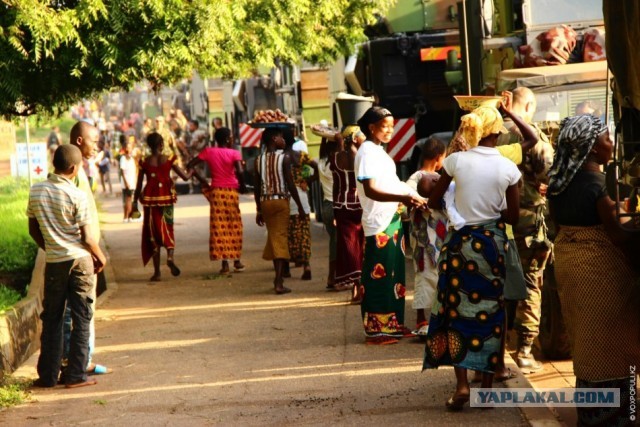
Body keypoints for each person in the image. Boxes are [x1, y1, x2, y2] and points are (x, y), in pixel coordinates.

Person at [423, 105, 526, 411]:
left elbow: (433, 199)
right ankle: (487, 391)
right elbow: (513, 217)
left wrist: (458, 208)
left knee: (457, 311)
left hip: (459, 244)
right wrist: (492, 211)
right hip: (491, 245)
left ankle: (462, 387)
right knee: (491, 312)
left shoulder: (455, 161)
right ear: (497, 132)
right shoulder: (508, 168)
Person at [548, 114, 640, 426]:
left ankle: (591, 415)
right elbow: (616, 234)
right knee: (616, 345)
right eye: (606, 138)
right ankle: (618, 417)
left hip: (572, 270)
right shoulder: (597, 184)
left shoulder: (560, 183)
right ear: (590, 147)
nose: (611, 143)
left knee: (587, 345)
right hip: (601, 274)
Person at [28, 144, 106, 389]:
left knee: (52, 317)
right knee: (82, 317)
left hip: (54, 263)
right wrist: (100, 257)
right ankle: (75, 375)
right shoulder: (77, 195)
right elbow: (87, 237)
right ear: (73, 168)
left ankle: (48, 376)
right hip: (80, 262)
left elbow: (32, 229)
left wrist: (51, 246)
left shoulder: (36, 191)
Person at [354, 107, 427, 345]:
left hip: (392, 219)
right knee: (379, 276)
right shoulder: (366, 152)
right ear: (371, 127)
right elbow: (370, 189)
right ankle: (376, 330)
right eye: (384, 126)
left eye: (391, 126)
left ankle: (393, 324)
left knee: (394, 274)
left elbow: (394, 183)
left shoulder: (379, 152)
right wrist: (405, 199)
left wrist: (415, 197)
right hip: (378, 222)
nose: (389, 130)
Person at [498, 87, 555, 373]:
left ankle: (498, 349)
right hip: (529, 220)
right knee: (532, 281)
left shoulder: (491, 132)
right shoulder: (533, 135)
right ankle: (524, 350)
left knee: (499, 282)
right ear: (529, 105)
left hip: (494, 220)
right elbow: (549, 175)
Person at [133, 132, 192, 281]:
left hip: (150, 202)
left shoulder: (144, 162)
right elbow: (185, 177)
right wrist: (192, 170)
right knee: (168, 228)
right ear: (161, 145)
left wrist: (134, 202)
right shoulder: (169, 159)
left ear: (149, 146)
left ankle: (157, 273)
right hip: (167, 200)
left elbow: (139, 185)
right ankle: (170, 256)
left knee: (152, 233)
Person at [187, 127, 246, 275]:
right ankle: (237, 260)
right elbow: (240, 171)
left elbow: (190, 165)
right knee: (234, 225)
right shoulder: (234, 153)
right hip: (231, 192)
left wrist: (202, 180)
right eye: (231, 137)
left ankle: (225, 264)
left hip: (217, 193)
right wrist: (243, 186)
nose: (233, 139)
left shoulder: (209, 151)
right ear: (227, 139)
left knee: (219, 227)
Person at [405, 138, 448, 338]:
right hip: (425, 236)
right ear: (439, 157)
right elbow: (409, 201)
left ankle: (432, 318)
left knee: (432, 274)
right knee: (424, 272)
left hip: (435, 235)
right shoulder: (420, 178)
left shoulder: (424, 178)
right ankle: (422, 319)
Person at [254, 127, 305, 294]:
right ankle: (278, 281)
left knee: (274, 237)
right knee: (281, 238)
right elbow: (290, 184)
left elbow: (256, 187)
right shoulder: (283, 158)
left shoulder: (258, 160)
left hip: (265, 203)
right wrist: (300, 206)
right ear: (274, 139)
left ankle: (279, 277)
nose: (283, 141)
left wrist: (258, 209)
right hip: (281, 202)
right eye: (281, 138)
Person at [330, 125, 366, 302]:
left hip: (342, 206)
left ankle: (355, 287)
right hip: (360, 206)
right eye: (361, 135)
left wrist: (335, 212)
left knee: (349, 247)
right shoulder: (362, 157)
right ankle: (361, 286)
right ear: (354, 139)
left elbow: (336, 187)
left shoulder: (336, 157)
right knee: (361, 246)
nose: (364, 137)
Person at [283, 127, 318, 280]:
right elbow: (316, 168)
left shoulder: (280, 157)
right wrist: (307, 180)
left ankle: (286, 269)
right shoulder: (300, 155)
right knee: (303, 233)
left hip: (285, 198)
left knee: (287, 234)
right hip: (302, 196)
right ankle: (306, 265)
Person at [317, 136, 340, 290]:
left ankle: (333, 277)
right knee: (338, 245)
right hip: (336, 206)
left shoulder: (321, 162)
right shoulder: (336, 163)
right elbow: (340, 151)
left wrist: (324, 138)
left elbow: (323, 150)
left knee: (334, 242)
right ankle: (334, 278)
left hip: (326, 206)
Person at [119, 138, 138, 223]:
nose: (129, 149)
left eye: (130, 147)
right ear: (125, 148)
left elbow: (135, 171)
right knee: (128, 200)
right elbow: (122, 172)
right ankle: (127, 216)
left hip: (131, 182)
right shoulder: (123, 158)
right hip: (127, 183)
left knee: (129, 200)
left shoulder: (132, 158)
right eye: (127, 147)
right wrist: (126, 182)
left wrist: (135, 181)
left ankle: (128, 216)